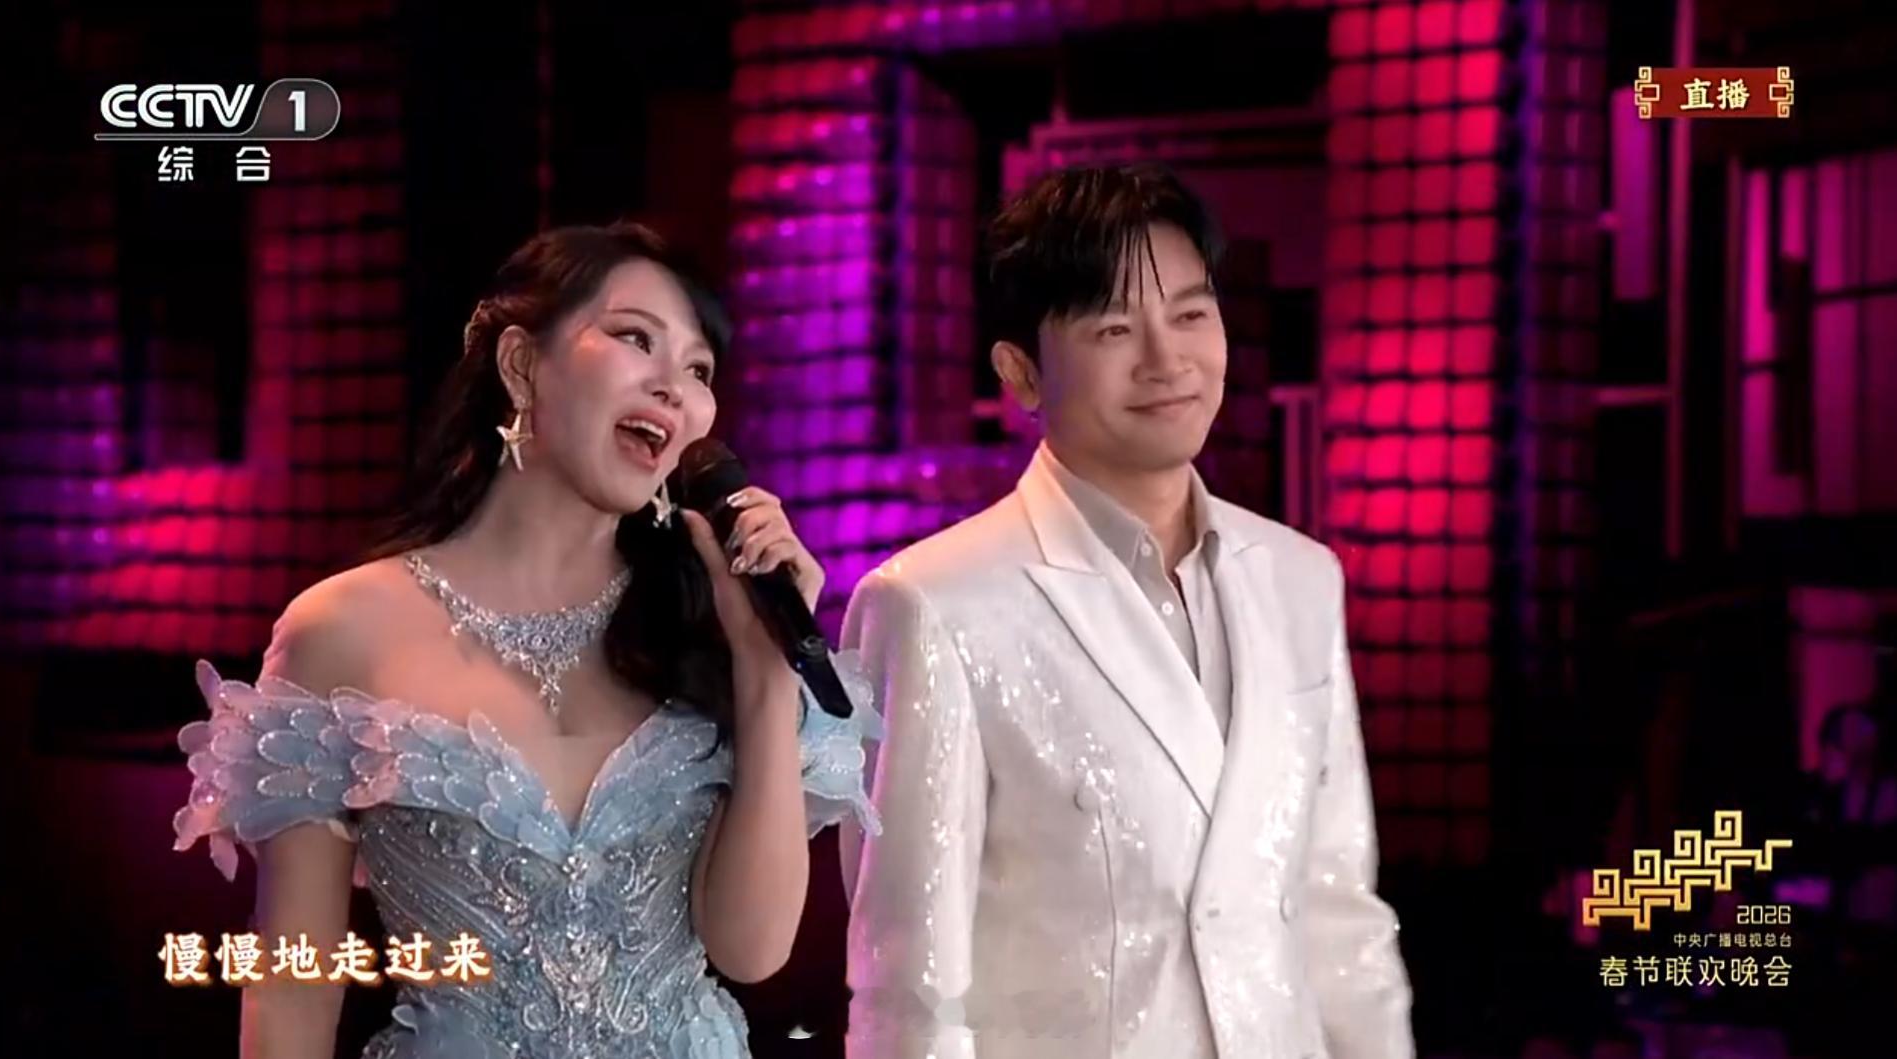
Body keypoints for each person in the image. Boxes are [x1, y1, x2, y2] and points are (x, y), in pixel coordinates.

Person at [171, 222, 880, 1058]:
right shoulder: (342, 631)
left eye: (699, 370)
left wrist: (763, 673)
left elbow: (751, 949)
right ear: (519, 366)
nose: (674, 388)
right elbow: (293, 990)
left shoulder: (704, 628)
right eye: (635, 338)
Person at [838, 164, 1413, 1059]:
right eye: (1113, 328)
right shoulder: (932, 605)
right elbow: (912, 988)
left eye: (1190, 314)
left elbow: (1340, 917)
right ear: (1020, 373)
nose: (1166, 359)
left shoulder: (1301, 579)